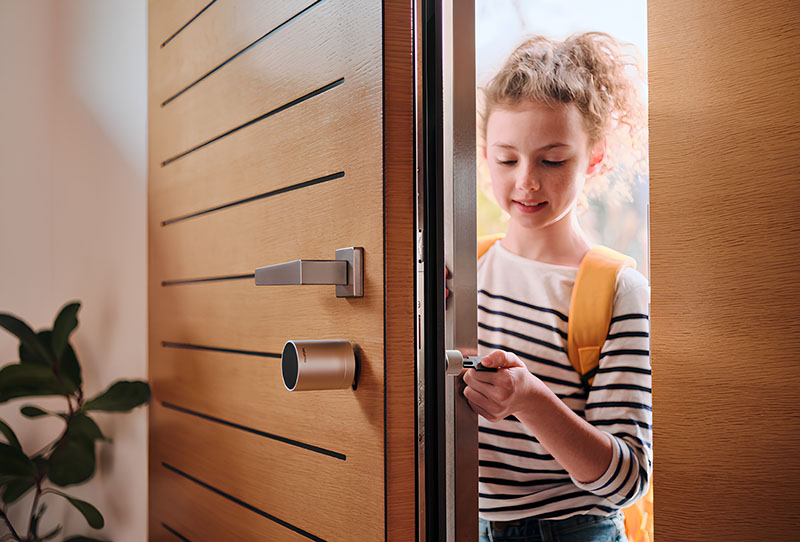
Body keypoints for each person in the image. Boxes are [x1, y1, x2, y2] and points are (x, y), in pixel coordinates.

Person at [448, 32, 651, 542]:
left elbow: (627, 480)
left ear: (595, 157)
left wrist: (531, 399)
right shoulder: (462, 272)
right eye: (506, 159)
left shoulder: (615, 289)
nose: (526, 182)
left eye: (552, 160)